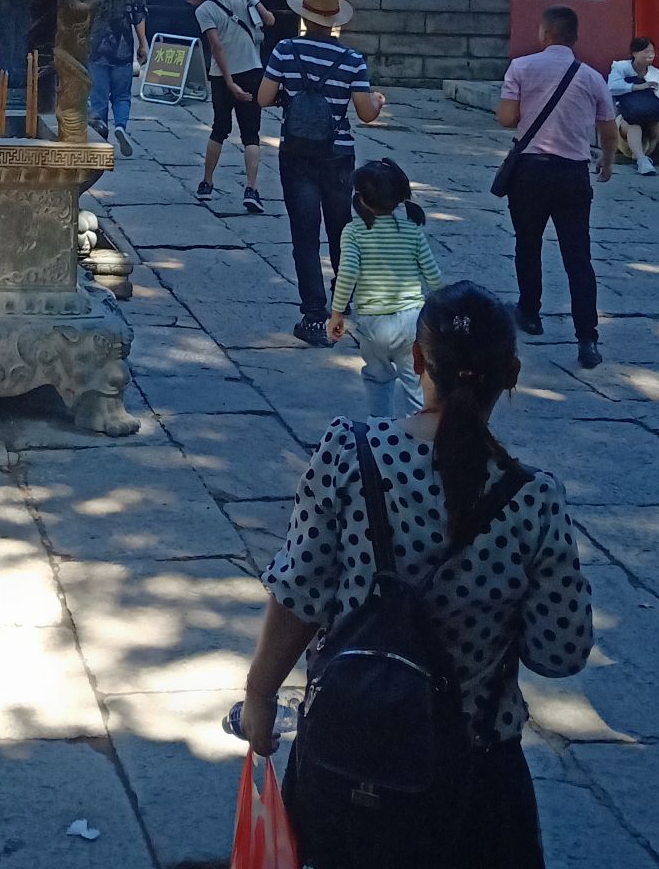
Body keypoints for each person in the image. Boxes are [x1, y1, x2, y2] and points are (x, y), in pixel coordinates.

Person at [236, 282, 594, 869]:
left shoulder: (351, 452)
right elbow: (561, 652)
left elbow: (299, 592)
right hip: (475, 766)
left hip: (351, 746)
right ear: (513, 373)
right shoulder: (534, 498)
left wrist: (259, 696)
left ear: (418, 360)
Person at [255, 0, 384, 346]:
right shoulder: (352, 60)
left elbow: (264, 98)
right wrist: (378, 101)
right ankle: (342, 301)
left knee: (305, 235)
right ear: (333, 21)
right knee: (342, 230)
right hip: (338, 154)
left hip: (296, 153)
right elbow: (366, 113)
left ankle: (314, 315)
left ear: (303, 17)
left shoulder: (285, 50)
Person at [497, 5, 618, 370]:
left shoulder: (521, 67)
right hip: (572, 174)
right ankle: (587, 338)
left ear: (544, 33)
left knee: (528, 242)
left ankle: (530, 312)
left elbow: (507, 119)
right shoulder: (592, 77)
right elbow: (609, 129)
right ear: (574, 37)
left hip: (530, 172)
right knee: (578, 257)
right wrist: (608, 161)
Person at [328, 159, 444, 416]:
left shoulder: (354, 232)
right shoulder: (412, 231)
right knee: (416, 383)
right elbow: (434, 277)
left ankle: (380, 434)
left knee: (378, 380)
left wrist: (337, 314)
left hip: (373, 325)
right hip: (413, 322)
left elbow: (347, 273)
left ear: (362, 200)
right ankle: (420, 437)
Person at [185, 0, 276, 214]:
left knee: (219, 128)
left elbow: (216, 47)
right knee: (251, 133)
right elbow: (269, 20)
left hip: (222, 75)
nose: (189, 0)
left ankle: (207, 183)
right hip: (253, 69)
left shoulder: (203, 11)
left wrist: (229, 82)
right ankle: (252, 189)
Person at [607, 36, 659, 175]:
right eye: (646, 51)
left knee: (658, 124)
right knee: (633, 123)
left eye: (652, 52)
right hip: (626, 117)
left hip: (649, 118)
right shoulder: (621, 67)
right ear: (634, 53)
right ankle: (642, 160)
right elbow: (612, 87)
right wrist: (638, 87)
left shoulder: (657, 74)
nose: (650, 55)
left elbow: (658, 103)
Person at [89, 0, 148, 158]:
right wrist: (143, 44)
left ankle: (100, 139)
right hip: (123, 48)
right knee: (122, 96)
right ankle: (120, 126)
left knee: (98, 98)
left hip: (96, 47)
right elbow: (138, 15)